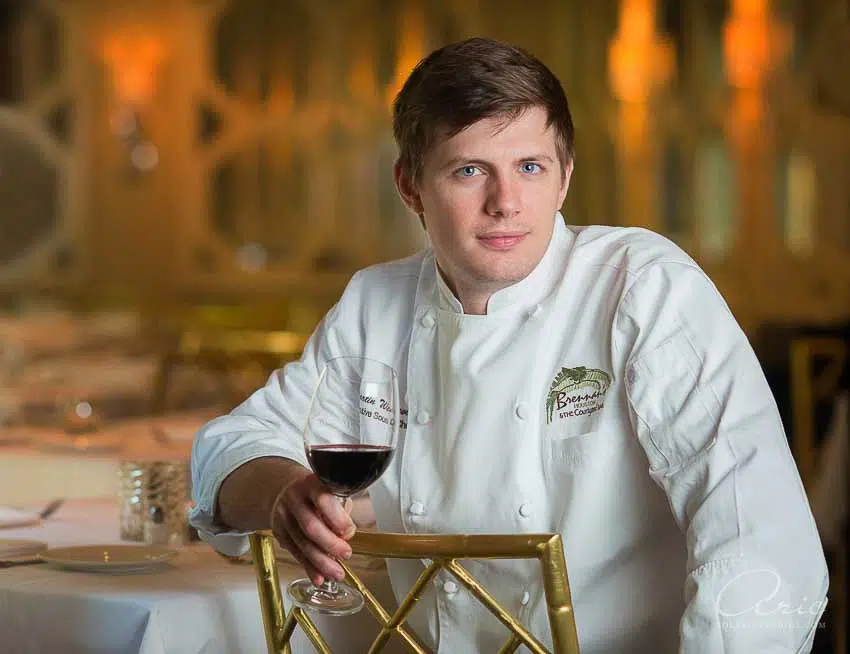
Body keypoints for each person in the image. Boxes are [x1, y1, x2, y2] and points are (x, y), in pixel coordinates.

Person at [191, 37, 828, 653]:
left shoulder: (643, 289)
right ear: (411, 185)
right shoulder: (375, 305)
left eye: (530, 167)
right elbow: (229, 448)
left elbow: (759, 538)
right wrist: (282, 491)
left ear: (565, 178)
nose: (505, 203)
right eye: (470, 170)